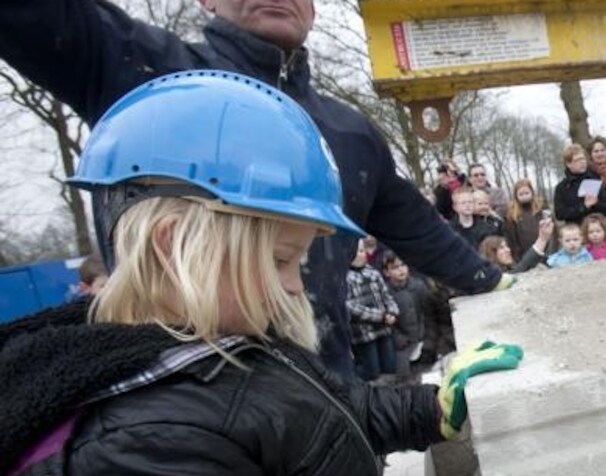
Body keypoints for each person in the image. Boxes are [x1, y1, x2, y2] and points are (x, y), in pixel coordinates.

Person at [0, 71, 567, 476]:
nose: (295, 284)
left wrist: (432, 407)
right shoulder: (137, 446)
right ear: (173, 247)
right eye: (278, 260)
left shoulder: (224, 346)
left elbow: (333, 416)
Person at [0, 0, 510, 380]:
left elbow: (422, 231)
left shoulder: (351, 132)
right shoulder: (149, 74)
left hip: (324, 393)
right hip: (180, 414)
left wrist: (498, 281)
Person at [346, 239, 399, 383]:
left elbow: (386, 296)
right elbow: (351, 307)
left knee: (390, 366)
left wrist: (392, 312)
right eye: (359, 251)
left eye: (363, 251)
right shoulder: (345, 278)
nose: (363, 254)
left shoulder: (374, 273)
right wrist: (380, 316)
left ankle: (391, 391)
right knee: (371, 371)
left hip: (384, 329)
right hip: (363, 333)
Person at [554, 143, 606, 233]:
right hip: (576, 232)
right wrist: (583, 207)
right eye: (577, 160)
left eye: (583, 159)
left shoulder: (596, 180)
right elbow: (560, 214)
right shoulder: (562, 187)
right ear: (568, 164)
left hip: (597, 231)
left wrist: (596, 203)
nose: (582, 162)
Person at [381, 254, 424, 384]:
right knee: (404, 379)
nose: (401, 270)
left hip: (422, 337)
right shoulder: (384, 293)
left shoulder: (418, 286)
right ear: (386, 272)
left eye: (403, 265)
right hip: (402, 344)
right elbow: (386, 321)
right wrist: (398, 337)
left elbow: (427, 312)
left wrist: (424, 332)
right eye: (395, 267)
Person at [479, 217, 555, 273]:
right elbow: (522, 268)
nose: (508, 250)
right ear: (491, 253)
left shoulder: (509, 269)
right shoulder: (495, 279)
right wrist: (542, 239)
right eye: (501, 248)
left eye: (506, 246)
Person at [504, 178, 550, 261]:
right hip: (524, 253)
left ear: (532, 192)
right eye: (521, 194)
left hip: (545, 249)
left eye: (527, 193)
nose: (524, 196)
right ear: (516, 196)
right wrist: (517, 256)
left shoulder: (541, 207)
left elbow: (551, 227)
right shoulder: (512, 213)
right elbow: (511, 238)